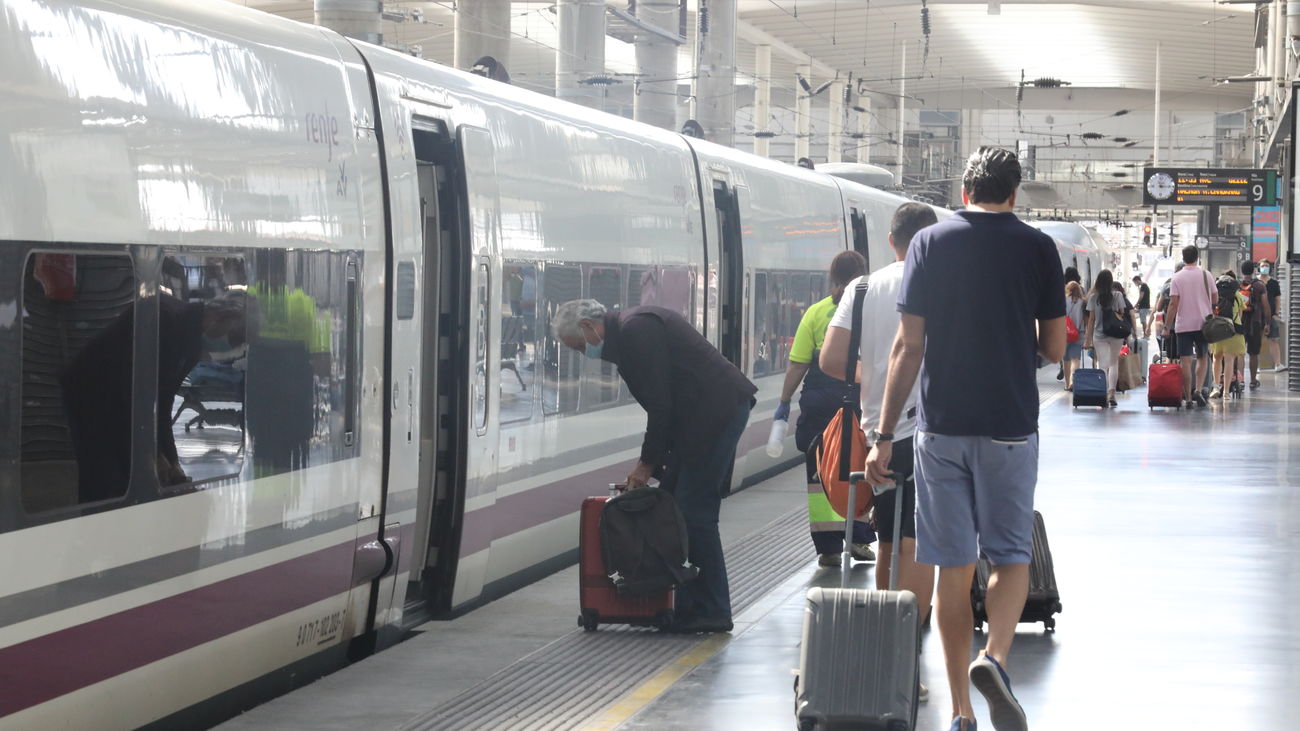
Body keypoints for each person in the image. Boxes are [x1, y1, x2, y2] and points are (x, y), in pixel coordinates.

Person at [863, 147, 1065, 731]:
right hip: (1009, 427)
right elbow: (1054, 349)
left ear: (964, 192)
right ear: (1014, 193)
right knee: (1010, 555)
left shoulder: (928, 244)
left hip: (941, 428)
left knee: (952, 567)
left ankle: (960, 712)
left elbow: (909, 347)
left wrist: (882, 435)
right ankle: (994, 657)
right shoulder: (1037, 248)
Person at [552, 299, 756, 634]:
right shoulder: (628, 334)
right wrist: (661, 464)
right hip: (700, 418)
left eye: (577, 346)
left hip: (716, 414)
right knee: (674, 507)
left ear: (589, 326)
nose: (581, 353)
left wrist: (646, 465)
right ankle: (684, 606)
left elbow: (661, 405)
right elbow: (668, 403)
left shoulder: (636, 331)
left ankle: (714, 611)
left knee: (695, 513)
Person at [820, 202, 939, 622]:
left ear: (892, 241)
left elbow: (830, 359)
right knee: (918, 538)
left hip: (877, 433)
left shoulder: (862, 287)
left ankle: (886, 630)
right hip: (929, 429)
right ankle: (910, 635)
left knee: (887, 536)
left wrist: (873, 377)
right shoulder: (943, 281)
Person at [61, 290, 249, 502]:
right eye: (231, 337)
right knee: (104, 472)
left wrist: (172, 460)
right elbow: (133, 393)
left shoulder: (192, 342)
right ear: (218, 318)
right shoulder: (164, 318)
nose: (228, 345)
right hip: (92, 391)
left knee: (134, 471)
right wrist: (154, 455)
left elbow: (163, 401)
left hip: (124, 395)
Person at [776, 251, 876, 567]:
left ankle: (829, 548)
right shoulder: (872, 307)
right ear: (864, 273)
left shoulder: (816, 312)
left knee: (819, 470)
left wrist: (784, 400)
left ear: (832, 277)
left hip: (819, 400)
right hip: (859, 396)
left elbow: (798, 363)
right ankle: (859, 537)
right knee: (859, 464)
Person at [1166, 246, 1217, 408]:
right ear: (1197, 257)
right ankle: (1199, 389)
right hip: (1203, 324)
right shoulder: (1206, 275)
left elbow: (1173, 304)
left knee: (1185, 361)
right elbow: (1215, 296)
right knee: (1202, 357)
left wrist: (1167, 326)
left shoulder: (1176, 277)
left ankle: (1188, 398)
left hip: (1183, 325)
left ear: (1183, 258)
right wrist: (1208, 306)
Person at [1082, 270, 1138, 408]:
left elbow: (1091, 320)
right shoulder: (1118, 295)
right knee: (1113, 363)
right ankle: (1112, 393)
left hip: (1099, 335)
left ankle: (1103, 393)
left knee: (1103, 365)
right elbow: (1122, 313)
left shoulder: (1093, 297)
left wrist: (1087, 340)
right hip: (1115, 334)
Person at [1208, 271, 1247, 399]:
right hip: (1233, 329)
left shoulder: (1215, 293)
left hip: (1218, 329)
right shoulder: (1237, 294)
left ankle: (1216, 387)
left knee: (1216, 358)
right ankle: (1226, 392)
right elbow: (1240, 314)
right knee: (1229, 360)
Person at [1238, 261, 1272, 389]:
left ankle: (1240, 381)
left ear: (1241, 271)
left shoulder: (1237, 285)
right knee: (1253, 353)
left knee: (1240, 353)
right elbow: (1266, 306)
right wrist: (1267, 323)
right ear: (1253, 271)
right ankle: (1252, 381)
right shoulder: (1259, 285)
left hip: (1240, 323)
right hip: (1255, 323)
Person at [1259, 260, 1287, 372]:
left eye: (1266, 266)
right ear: (1259, 268)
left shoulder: (1274, 283)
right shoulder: (1256, 282)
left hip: (1271, 316)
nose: (1264, 268)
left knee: (1274, 339)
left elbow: (1277, 299)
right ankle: (1257, 365)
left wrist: (1276, 313)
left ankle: (1278, 364)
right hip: (1257, 315)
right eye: (1262, 266)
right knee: (1257, 340)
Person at [1063, 281, 1086, 390]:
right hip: (1078, 333)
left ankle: (1067, 384)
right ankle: (1073, 381)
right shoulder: (1083, 303)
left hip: (1064, 333)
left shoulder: (1063, 301)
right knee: (1075, 359)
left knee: (1066, 360)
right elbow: (1085, 319)